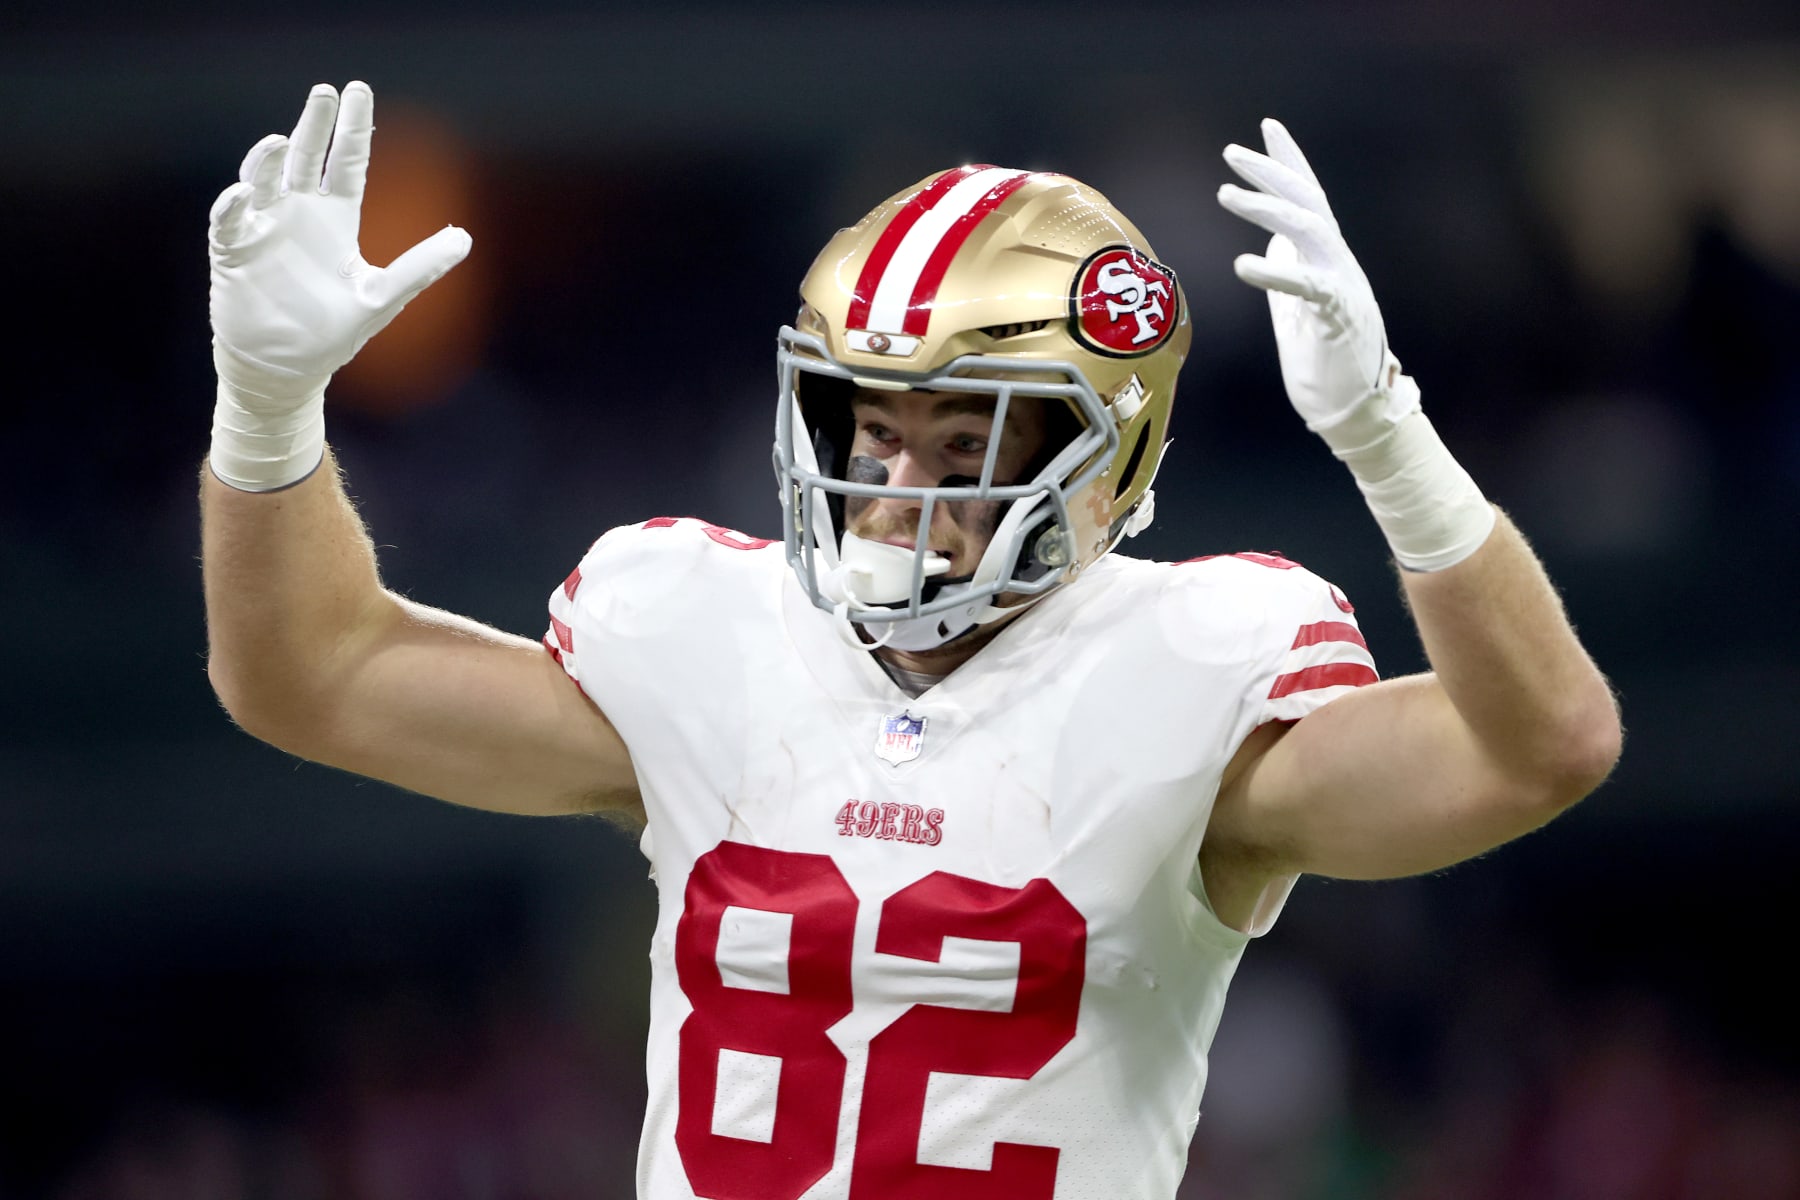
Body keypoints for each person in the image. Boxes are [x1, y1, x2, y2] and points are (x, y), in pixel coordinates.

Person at [202, 81, 1620, 1199]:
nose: (901, 490)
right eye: (873, 429)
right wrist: (266, 412)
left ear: (1100, 461)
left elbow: (1543, 747)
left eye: (970, 442)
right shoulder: (707, 633)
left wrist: (1388, 436)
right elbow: (309, 676)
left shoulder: (1188, 671)